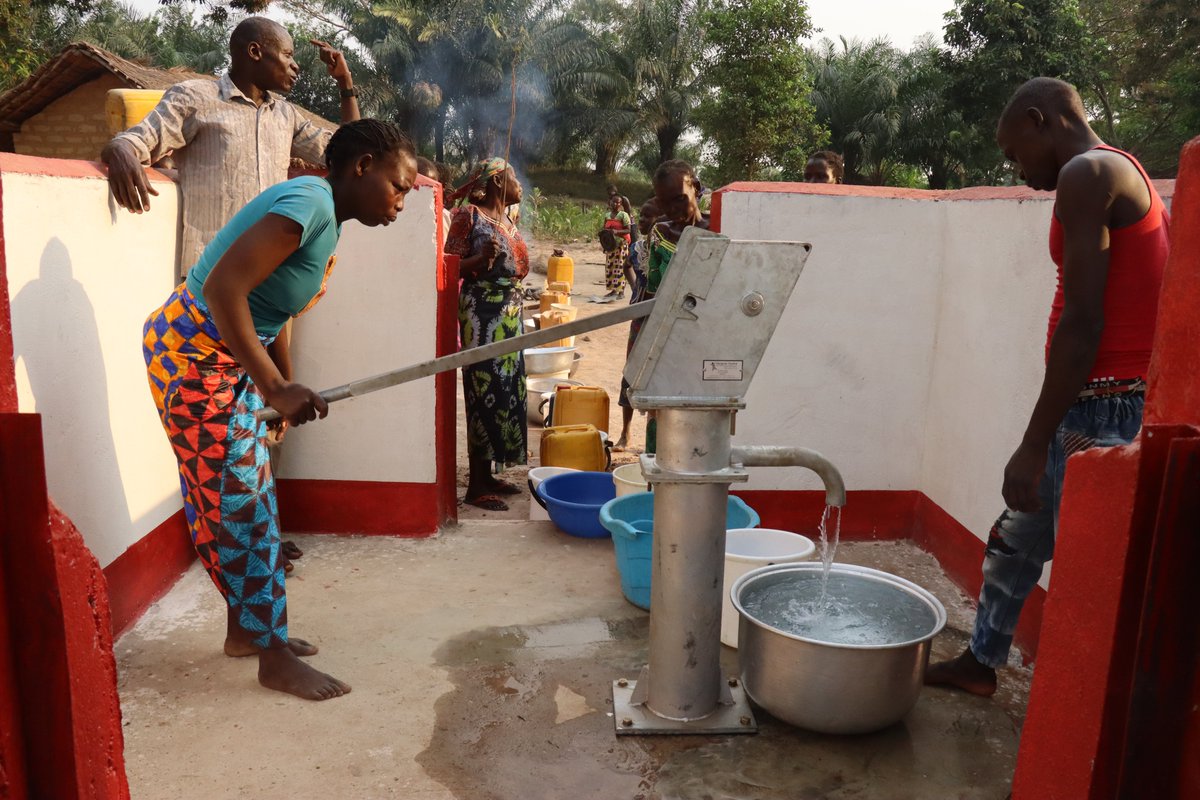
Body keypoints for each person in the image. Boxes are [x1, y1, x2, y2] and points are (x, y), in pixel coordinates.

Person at [142, 120, 418, 700]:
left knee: (249, 499)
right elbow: (223, 289)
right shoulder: (310, 202)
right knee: (239, 507)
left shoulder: (325, 215)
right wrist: (271, 388)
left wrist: (282, 383)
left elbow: (275, 309)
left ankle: (249, 631)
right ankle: (273, 657)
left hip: (223, 362)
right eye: (399, 185)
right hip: (194, 358)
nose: (403, 199)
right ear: (362, 166)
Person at [925, 77, 1169, 696]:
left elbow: (1085, 322)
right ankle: (982, 666)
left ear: (1041, 120)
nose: (1016, 167)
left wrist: (1034, 444)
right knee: (1014, 540)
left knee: (1091, 587)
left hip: (1106, 414)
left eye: (1014, 152)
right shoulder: (1117, 167)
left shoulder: (1086, 175)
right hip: (1092, 405)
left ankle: (1065, 753)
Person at [103, 17, 361, 277]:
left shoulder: (286, 115)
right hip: (210, 278)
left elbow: (348, 151)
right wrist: (121, 151)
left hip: (270, 280)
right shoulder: (195, 98)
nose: (296, 66)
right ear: (255, 52)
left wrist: (345, 83)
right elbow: (137, 140)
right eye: (287, 55)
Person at [446, 158, 530, 511]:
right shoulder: (470, 216)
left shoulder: (510, 220)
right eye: (514, 176)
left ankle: (491, 473)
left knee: (509, 392)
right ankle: (476, 485)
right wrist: (478, 261)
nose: (520, 184)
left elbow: (519, 270)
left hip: (510, 315)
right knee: (485, 391)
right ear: (497, 181)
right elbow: (447, 264)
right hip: (482, 313)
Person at [636, 160, 710, 453]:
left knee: (702, 421)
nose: (674, 210)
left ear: (696, 188)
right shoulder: (661, 234)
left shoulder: (721, 227)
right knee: (663, 418)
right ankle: (658, 489)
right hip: (667, 342)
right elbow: (652, 296)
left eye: (680, 198)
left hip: (707, 342)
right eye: (666, 203)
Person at [615, 198, 660, 451]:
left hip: (658, 321)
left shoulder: (664, 249)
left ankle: (651, 442)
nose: (641, 221)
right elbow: (626, 266)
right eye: (640, 217)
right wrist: (636, 292)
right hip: (639, 321)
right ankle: (625, 433)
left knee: (655, 378)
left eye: (647, 217)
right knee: (630, 373)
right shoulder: (639, 248)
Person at [600, 194, 633, 299]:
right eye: (613, 201)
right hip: (611, 245)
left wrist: (617, 231)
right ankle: (614, 291)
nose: (615, 204)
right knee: (610, 268)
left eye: (618, 202)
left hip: (621, 245)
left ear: (621, 204)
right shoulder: (607, 215)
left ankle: (621, 292)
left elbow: (629, 230)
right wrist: (603, 242)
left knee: (620, 267)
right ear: (610, 202)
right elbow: (604, 231)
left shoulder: (623, 215)